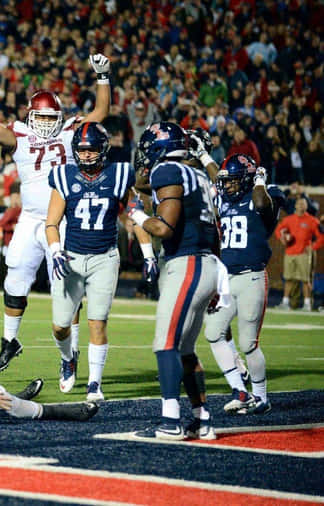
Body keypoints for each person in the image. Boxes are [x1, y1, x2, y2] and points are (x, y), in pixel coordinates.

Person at [0, 53, 111, 373]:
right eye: (39, 118)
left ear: (59, 116)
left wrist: (103, 77)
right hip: (29, 218)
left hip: (64, 220)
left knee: (67, 288)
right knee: (14, 279)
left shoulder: (70, 132)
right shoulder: (19, 136)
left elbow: (100, 113)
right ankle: (10, 341)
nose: (44, 124)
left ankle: (71, 353)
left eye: (48, 118)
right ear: (30, 117)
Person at [127, 122, 220, 440]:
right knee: (185, 350)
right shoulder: (198, 175)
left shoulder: (167, 170)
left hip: (187, 263)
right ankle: (202, 419)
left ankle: (170, 421)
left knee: (165, 344)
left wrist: (137, 216)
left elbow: (164, 227)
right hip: (206, 264)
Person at [46, 122, 151, 400]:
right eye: (82, 150)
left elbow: (135, 214)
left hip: (105, 258)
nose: (87, 155)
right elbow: (51, 222)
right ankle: (69, 358)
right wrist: (55, 250)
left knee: (97, 321)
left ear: (103, 149)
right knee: (59, 326)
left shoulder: (119, 175)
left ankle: (94, 382)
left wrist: (148, 253)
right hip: (71, 257)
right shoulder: (63, 176)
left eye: (92, 149)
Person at [205, 154, 284, 415]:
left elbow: (261, 203)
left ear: (250, 180)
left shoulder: (266, 194)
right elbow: (219, 176)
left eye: (233, 181)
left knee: (249, 343)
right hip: (227, 280)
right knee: (213, 332)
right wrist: (205, 156)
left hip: (252, 276)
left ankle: (261, 397)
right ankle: (240, 391)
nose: (226, 186)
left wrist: (259, 179)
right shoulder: (226, 197)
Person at [275, 198, 324, 311]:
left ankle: (307, 304)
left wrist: (313, 247)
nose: (301, 206)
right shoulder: (288, 219)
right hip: (289, 253)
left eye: (303, 204)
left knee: (305, 280)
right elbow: (279, 230)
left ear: (306, 206)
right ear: (295, 206)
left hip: (304, 254)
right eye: (299, 204)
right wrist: (282, 238)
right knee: (288, 279)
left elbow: (321, 236)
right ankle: (285, 302)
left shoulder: (312, 220)